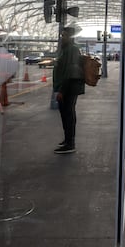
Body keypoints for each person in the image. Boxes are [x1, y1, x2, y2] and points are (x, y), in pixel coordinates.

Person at [53, 25, 85, 154]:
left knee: (68, 115)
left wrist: (62, 91)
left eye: (64, 35)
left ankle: (70, 143)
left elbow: (69, 72)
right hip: (67, 87)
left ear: (70, 37)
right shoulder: (67, 49)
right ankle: (67, 140)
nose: (62, 38)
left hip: (69, 88)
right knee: (66, 114)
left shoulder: (72, 50)